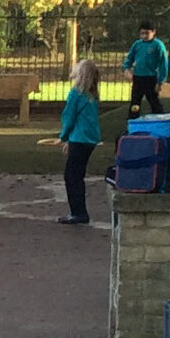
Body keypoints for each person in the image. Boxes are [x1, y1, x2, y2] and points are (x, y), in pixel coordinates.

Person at [54, 59, 104, 225]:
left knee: (72, 176)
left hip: (79, 138)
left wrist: (64, 137)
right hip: (89, 139)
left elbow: (69, 117)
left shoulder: (76, 94)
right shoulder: (92, 95)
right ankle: (79, 211)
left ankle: (78, 213)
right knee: (77, 174)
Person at [126, 22, 170, 115]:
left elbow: (163, 63)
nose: (144, 36)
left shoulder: (158, 45)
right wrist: (127, 68)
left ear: (153, 32)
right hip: (138, 78)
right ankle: (133, 123)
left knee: (154, 102)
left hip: (151, 78)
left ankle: (159, 122)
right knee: (135, 103)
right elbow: (129, 57)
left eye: (147, 33)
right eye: (142, 33)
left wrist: (160, 81)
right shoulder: (137, 44)